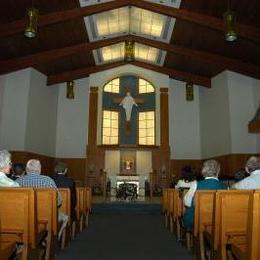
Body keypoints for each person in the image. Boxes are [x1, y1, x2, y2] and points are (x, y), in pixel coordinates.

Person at [17, 159, 68, 240]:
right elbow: (58, 201)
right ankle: (51, 239)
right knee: (64, 217)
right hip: (45, 216)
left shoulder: (18, 181)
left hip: (23, 216)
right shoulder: (47, 180)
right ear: (40, 169)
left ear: (26, 170)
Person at [183, 160, 227, 231]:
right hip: (219, 221)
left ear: (204, 170)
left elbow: (187, 202)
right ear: (218, 171)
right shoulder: (225, 187)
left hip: (197, 220)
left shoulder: (196, 184)